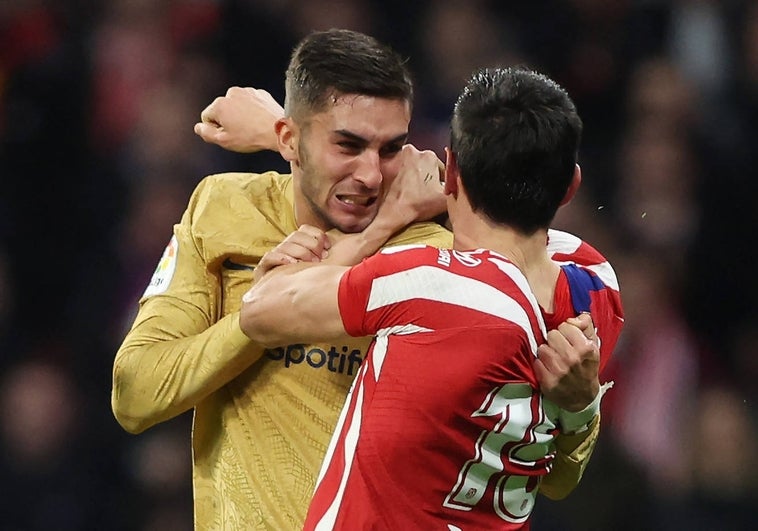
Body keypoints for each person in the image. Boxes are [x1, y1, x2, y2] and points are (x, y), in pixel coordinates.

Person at [112, 29, 609, 529]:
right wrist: (253, 320)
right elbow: (135, 395)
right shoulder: (223, 207)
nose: (371, 175)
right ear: (289, 139)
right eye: (348, 145)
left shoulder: (440, 261)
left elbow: (544, 471)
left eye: (391, 149)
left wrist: (580, 410)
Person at [239, 66, 624, 529]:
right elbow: (558, 481)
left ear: (452, 171)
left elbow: (259, 310)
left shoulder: (432, 285)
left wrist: (390, 214)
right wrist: (582, 407)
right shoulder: (597, 288)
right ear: (571, 187)